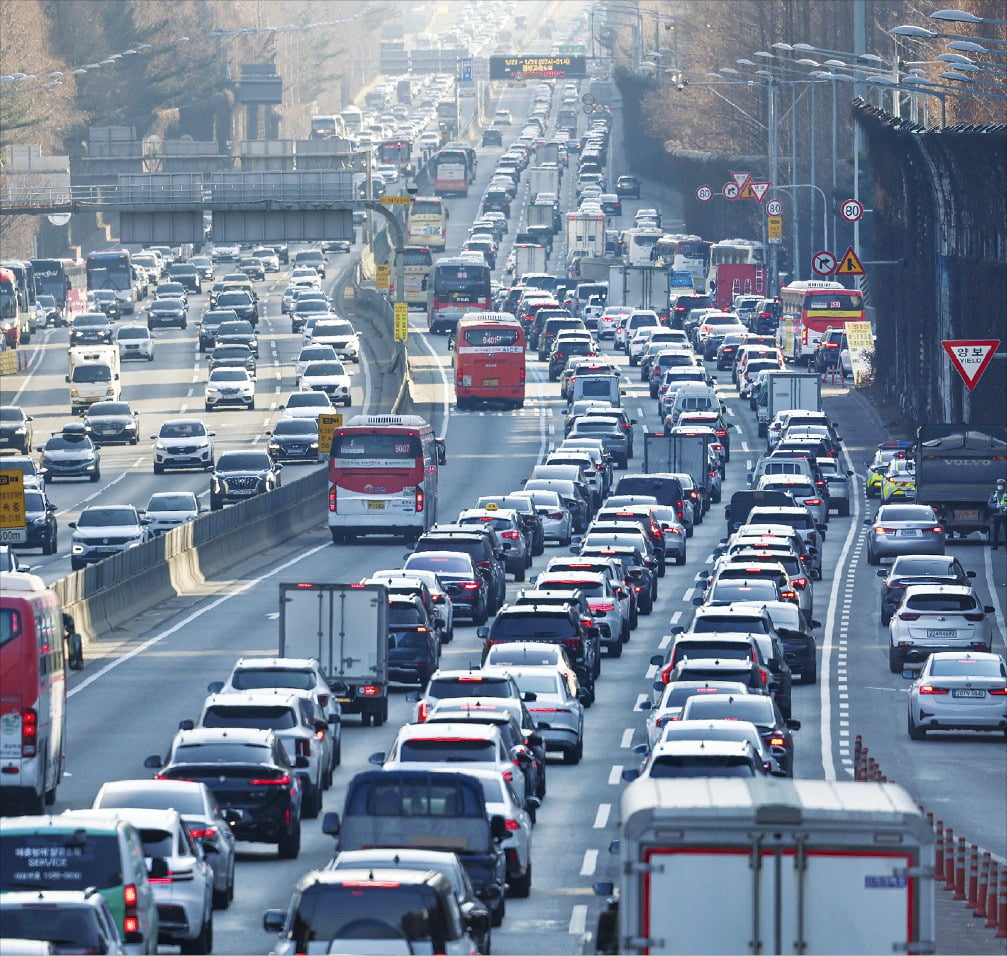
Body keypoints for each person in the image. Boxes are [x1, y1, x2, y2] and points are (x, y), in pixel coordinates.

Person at [989, 477, 1007, 550]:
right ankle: (995, 546)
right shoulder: (993, 494)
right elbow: (989, 503)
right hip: (996, 515)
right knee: (995, 531)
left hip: (1005, 515)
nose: (1000, 486)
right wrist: (995, 506)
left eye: (1002, 485)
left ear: (1004, 486)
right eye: (999, 485)